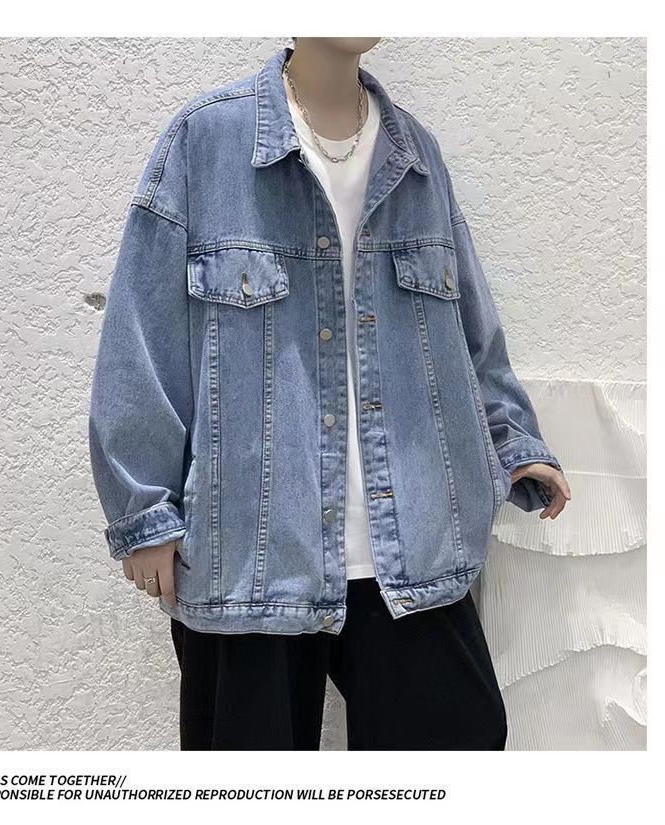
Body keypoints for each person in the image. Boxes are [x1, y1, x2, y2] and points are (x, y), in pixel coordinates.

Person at [88, 37, 571, 750]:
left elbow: (469, 328)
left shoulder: (416, 156)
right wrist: (144, 513)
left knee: (460, 745)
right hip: (250, 553)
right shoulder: (206, 141)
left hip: (415, 544)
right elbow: (141, 334)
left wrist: (513, 440)